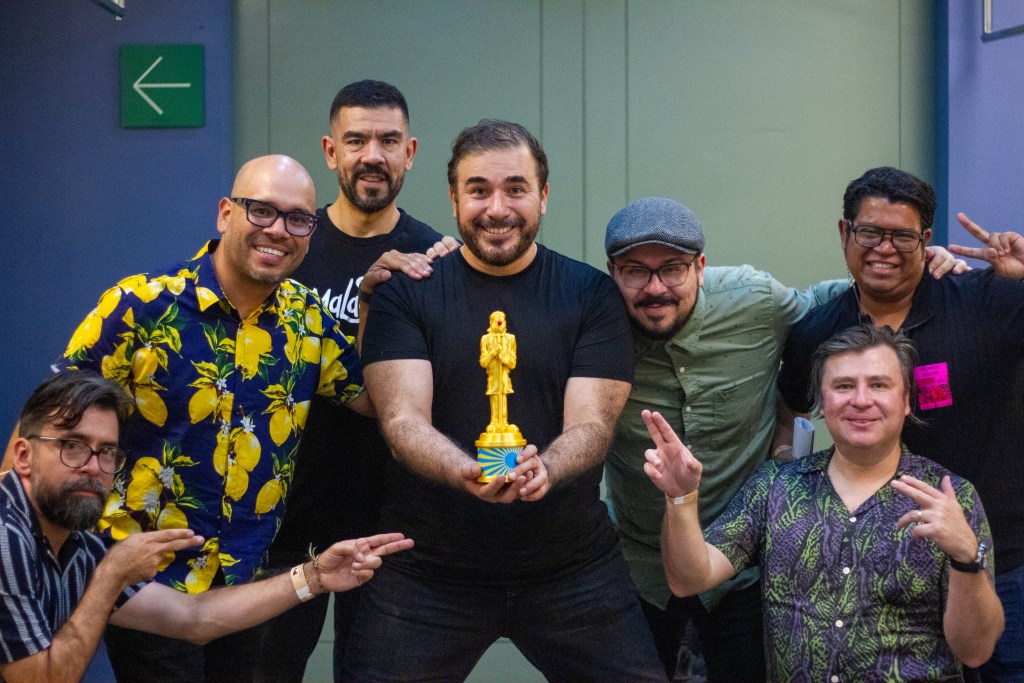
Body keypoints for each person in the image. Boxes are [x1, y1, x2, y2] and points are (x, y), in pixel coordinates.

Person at [22, 154, 373, 682]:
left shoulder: (309, 320)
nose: (278, 230)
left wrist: (374, 302)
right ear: (226, 213)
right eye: (261, 211)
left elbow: (370, 398)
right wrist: (19, 560)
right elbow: (45, 429)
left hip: (250, 584)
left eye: (297, 218)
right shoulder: (139, 307)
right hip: (146, 585)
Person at [347, 119, 666, 681]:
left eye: (516, 188)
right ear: (453, 200)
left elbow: (592, 424)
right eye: (478, 190)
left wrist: (549, 465)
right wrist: (463, 469)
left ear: (543, 196)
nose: (497, 208)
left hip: (571, 567)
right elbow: (400, 420)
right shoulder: (407, 292)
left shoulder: (590, 294)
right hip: (426, 567)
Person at [601, 196, 966, 682]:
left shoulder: (755, 301)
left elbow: (839, 302)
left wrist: (923, 274)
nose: (655, 288)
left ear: (701, 267)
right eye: (634, 272)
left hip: (744, 570)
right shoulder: (590, 320)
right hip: (639, 569)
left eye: (672, 269)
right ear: (611, 272)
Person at [0, 371, 411, 683]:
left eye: (107, 452)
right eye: (72, 446)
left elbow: (190, 619)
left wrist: (314, 576)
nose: (93, 467)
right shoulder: (7, 536)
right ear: (22, 455)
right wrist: (111, 575)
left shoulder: (77, 543)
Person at [645, 324, 1003, 681]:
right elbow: (689, 578)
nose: (861, 400)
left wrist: (966, 558)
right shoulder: (775, 487)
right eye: (844, 386)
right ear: (821, 401)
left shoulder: (951, 497)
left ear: (907, 399)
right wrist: (680, 498)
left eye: (879, 385)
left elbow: (975, 651)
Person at [777, 166, 1024, 681]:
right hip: (883, 575)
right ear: (845, 232)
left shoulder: (987, 302)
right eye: (869, 231)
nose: (883, 248)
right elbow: (793, 412)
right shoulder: (816, 333)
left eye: (902, 236)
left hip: (1003, 560)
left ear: (925, 240)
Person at [256, 80, 443, 682]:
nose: (373, 155)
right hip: (282, 516)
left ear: (409, 152)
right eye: (356, 140)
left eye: (388, 141)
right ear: (330, 151)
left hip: (392, 523)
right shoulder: (285, 243)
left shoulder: (433, 257)